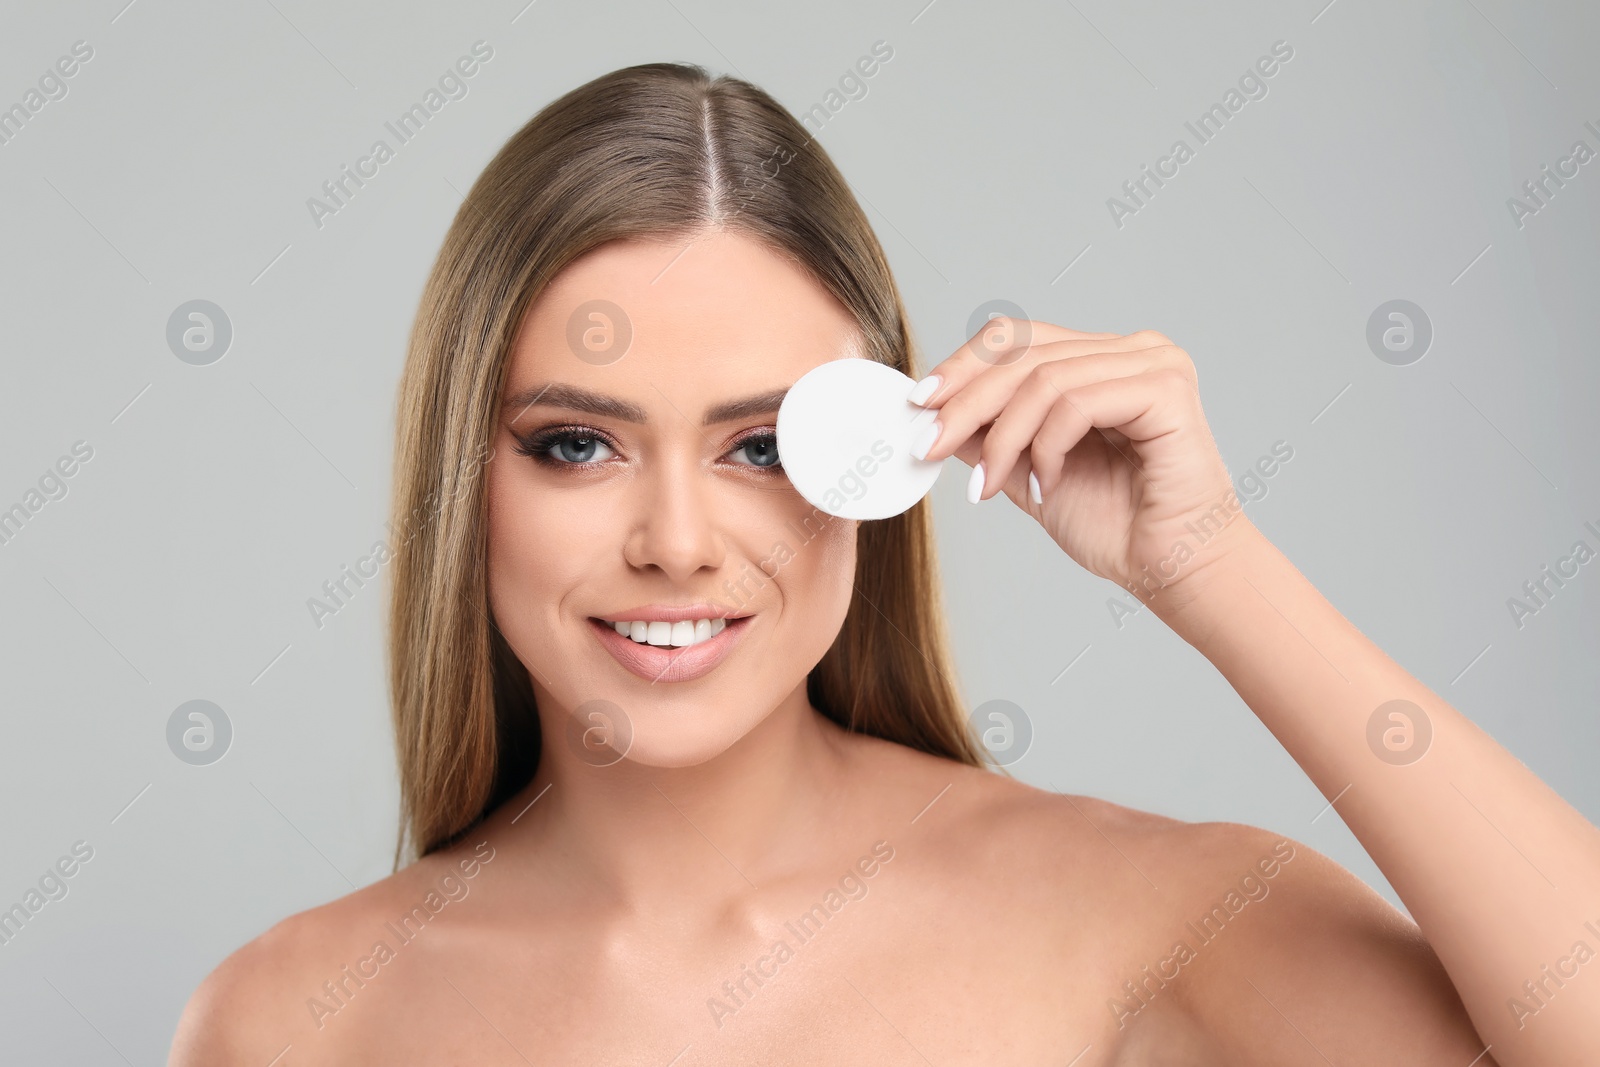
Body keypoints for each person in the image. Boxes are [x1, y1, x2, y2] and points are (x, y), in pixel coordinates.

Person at [169, 62, 1598, 1066]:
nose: (676, 542)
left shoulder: (1135, 924)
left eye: (762, 449)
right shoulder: (289, 1022)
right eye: (575, 447)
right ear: (460, 484)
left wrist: (1214, 568)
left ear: (881, 469)